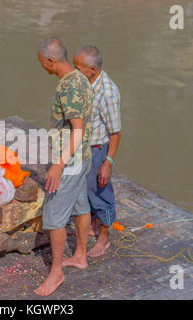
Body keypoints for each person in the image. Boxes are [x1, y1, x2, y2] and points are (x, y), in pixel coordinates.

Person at [35, 37, 93, 296]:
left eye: (42, 63)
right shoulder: (81, 77)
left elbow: (77, 130)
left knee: (54, 217)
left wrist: (58, 164)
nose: (42, 68)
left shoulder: (68, 87)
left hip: (69, 162)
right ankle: (80, 255)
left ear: (51, 61)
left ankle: (56, 273)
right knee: (81, 207)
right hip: (83, 157)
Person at [73, 46, 122, 257]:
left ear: (92, 69)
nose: (75, 71)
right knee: (85, 190)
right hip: (83, 147)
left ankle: (104, 238)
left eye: (79, 68)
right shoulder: (84, 82)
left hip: (98, 150)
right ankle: (93, 221)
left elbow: (116, 131)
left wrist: (107, 162)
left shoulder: (108, 93)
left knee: (101, 193)